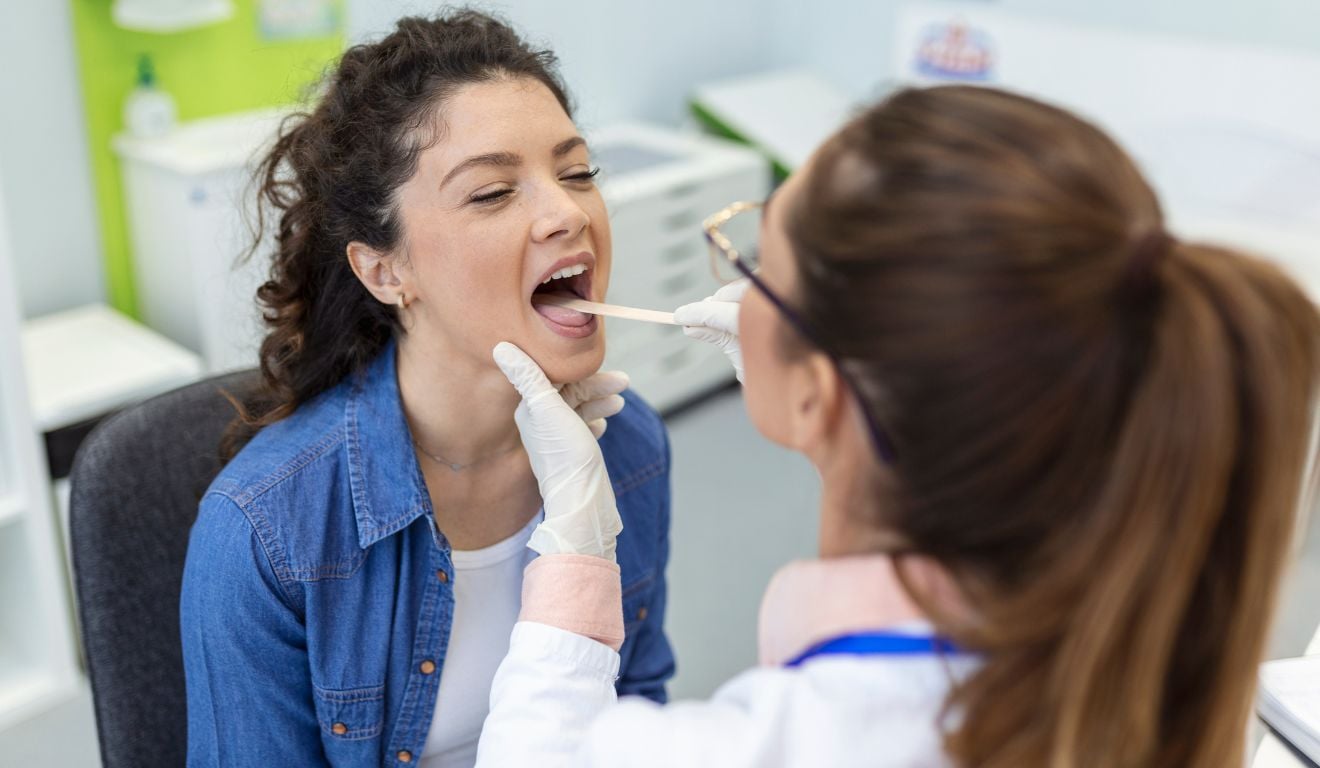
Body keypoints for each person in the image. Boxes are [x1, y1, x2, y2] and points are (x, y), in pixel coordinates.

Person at [475, 85, 1320, 767]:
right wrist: (827, 409)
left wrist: (578, 553)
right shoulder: (1132, 637)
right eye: (490, 192)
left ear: (824, 392)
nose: (565, 217)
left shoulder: (819, 738)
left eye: (761, 268)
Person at [179, 11, 675, 767]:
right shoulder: (266, 534)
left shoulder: (627, 446)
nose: (569, 212)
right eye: (492, 193)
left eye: (577, 173)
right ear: (385, 271)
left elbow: (636, 714)